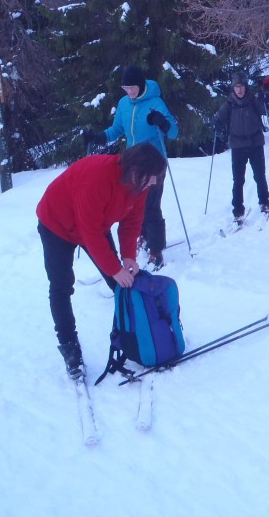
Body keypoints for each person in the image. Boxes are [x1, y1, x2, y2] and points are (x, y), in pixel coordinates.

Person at [36, 142, 167, 379]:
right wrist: (114, 268)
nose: (154, 183)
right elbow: (90, 232)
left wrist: (128, 256)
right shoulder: (97, 176)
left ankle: (138, 333)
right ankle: (69, 347)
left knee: (120, 283)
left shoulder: (140, 185)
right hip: (57, 223)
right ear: (136, 170)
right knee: (61, 286)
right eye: (151, 178)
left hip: (95, 225)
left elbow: (132, 221)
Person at [83, 65, 178, 268]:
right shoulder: (124, 103)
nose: (129, 91)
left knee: (151, 206)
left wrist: (163, 123)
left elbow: (173, 132)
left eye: (132, 87)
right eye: (125, 87)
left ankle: (156, 250)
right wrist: (100, 137)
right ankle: (143, 236)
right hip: (133, 165)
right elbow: (117, 129)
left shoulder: (155, 102)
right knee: (134, 206)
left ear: (141, 84)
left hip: (153, 164)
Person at [214, 70, 269, 223]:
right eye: (236, 86)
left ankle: (264, 202)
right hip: (237, 146)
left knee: (259, 176)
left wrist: (267, 101)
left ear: (246, 87)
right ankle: (238, 210)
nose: (239, 90)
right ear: (233, 88)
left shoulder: (253, 101)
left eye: (242, 86)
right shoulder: (229, 104)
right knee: (238, 180)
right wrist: (217, 123)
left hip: (255, 143)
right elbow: (217, 120)